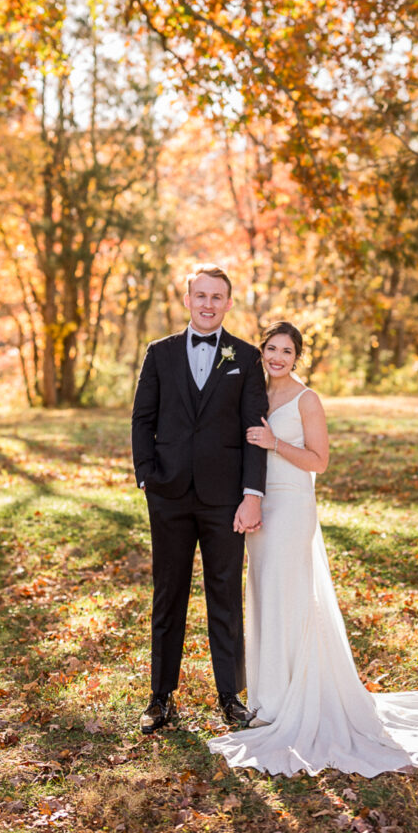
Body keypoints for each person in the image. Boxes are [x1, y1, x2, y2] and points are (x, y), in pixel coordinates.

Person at [208, 321, 418, 776]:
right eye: (271, 348)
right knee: (265, 596)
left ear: (297, 357)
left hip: (292, 507)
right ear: (262, 352)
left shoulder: (307, 399)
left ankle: (300, 699)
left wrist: (276, 442)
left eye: (287, 351)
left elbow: (320, 461)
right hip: (260, 508)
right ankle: (269, 698)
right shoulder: (254, 394)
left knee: (290, 597)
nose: (277, 357)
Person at [131, 264, 268, 736]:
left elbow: (256, 432)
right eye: (200, 295)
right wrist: (147, 476)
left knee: (225, 596)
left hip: (224, 499)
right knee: (168, 596)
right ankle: (160, 697)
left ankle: (230, 697)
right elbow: (141, 417)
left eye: (217, 297)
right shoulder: (159, 353)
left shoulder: (247, 358)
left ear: (228, 304)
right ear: (187, 300)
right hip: (168, 495)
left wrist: (252, 495)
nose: (208, 303)